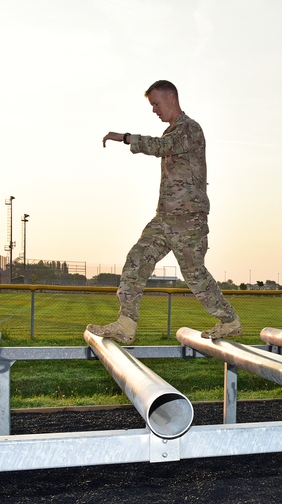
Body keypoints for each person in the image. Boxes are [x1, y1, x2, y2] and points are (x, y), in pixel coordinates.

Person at [88, 80, 241, 344]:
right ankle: (126, 324)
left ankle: (229, 321)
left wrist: (125, 138)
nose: (154, 110)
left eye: (156, 104)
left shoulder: (189, 129)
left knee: (194, 275)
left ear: (171, 98)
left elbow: (162, 147)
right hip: (164, 218)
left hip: (188, 220)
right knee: (137, 259)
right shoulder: (173, 131)